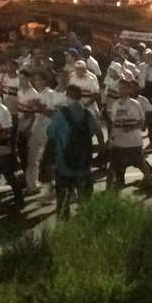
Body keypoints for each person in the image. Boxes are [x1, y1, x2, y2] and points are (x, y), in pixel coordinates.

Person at [47, 85, 99, 220]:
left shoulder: (61, 114)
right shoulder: (88, 114)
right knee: (85, 196)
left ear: (67, 96)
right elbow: (93, 130)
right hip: (84, 161)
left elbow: (51, 133)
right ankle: (87, 221)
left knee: (63, 196)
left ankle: (64, 221)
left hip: (64, 162)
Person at [106, 80, 152, 191]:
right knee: (112, 166)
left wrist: (130, 128)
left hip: (133, 142)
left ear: (128, 90)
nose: (120, 90)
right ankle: (111, 187)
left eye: (123, 88)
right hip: (118, 142)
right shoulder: (115, 104)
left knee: (141, 164)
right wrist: (111, 137)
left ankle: (149, 182)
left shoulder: (134, 104)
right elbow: (113, 122)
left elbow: (141, 122)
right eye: (119, 88)